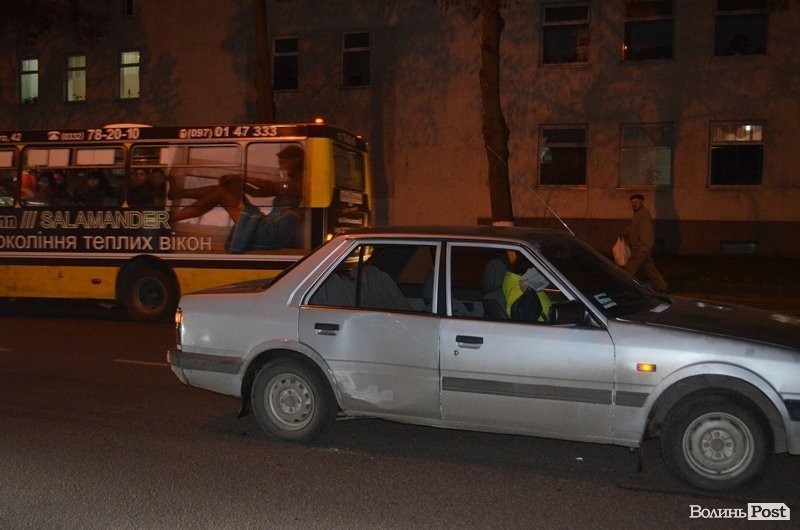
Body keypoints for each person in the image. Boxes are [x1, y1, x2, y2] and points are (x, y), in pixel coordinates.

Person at [169, 145, 303, 253]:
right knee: (226, 189)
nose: (281, 167)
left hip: (274, 231)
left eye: (283, 163)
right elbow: (256, 193)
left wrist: (241, 176)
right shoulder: (287, 183)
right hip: (270, 224)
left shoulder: (300, 183)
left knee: (221, 194)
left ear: (296, 160)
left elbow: (270, 185)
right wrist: (237, 183)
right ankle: (180, 193)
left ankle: (173, 216)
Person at [622, 193, 668, 293]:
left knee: (631, 267)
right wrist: (624, 233)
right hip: (641, 246)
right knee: (649, 267)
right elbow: (634, 227)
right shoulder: (638, 213)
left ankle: (623, 286)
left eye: (636, 202)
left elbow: (647, 231)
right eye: (632, 202)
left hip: (641, 247)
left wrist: (645, 246)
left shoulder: (643, 214)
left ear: (641, 202)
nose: (634, 204)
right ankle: (662, 285)